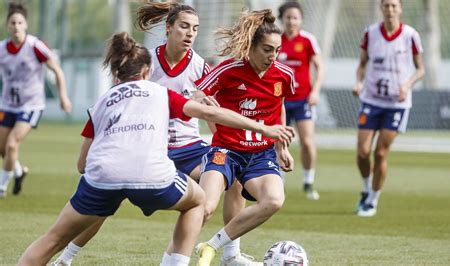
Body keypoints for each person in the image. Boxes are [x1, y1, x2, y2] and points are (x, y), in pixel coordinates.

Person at [17, 32, 294, 265]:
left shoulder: (102, 102)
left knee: (54, 237)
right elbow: (216, 114)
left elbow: (82, 164)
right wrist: (264, 129)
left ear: (115, 74)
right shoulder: (161, 93)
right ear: (148, 72)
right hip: (151, 171)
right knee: (199, 202)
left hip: (104, 176)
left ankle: (65, 257)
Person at [53, 2, 258, 265]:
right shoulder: (144, 64)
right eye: (184, 26)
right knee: (106, 199)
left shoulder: (202, 68)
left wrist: (224, 148)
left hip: (190, 148)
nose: (190, 33)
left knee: (234, 178)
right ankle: (66, 258)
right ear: (168, 27)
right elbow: (116, 105)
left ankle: (230, 254)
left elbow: (212, 115)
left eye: (195, 29)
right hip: (147, 148)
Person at [192, 9, 296, 266]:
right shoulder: (228, 70)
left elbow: (278, 106)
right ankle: (174, 260)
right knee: (204, 206)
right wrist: (202, 101)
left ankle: (212, 247)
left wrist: (281, 147)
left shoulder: (284, 75)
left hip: (260, 153)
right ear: (250, 47)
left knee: (274, 200)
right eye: (267, 49)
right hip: (225, 150)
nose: (273, 56)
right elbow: (195, 95)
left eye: (277, 50)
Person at [352, 0, 425, 217]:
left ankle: (373, 201)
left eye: (394, 5)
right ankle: (366, 188)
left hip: (396, 105)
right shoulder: (371, 33)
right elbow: (362, 64)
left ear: (401, 8)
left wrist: (407, 85)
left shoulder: (410, 35)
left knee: (381, 152)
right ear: (381, 8)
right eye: (386, 5)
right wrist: (358, 82)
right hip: (371, 100)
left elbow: (421, 69)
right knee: (362, 152)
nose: (390, 9)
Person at [0, 2, 72, 197]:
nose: (16, 26)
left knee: (12, 144)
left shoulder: (34, 46)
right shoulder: (2, 49)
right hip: (7, 104)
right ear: (8, 25)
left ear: (25, 25)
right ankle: (18, 171)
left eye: (20, 22)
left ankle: (1, 188)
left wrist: (63, 97)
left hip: (31, 105)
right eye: (12, 22)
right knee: (2, 147)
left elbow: (57, 70)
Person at [277, 1, 325, 200]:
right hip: (280, 101)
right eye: (288, 17)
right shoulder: (275, 40)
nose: (291, 21)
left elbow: (320, 68)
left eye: (295, 17)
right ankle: (279, 181)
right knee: (279, 142)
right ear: (282, 19)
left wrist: (315, 91)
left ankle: (308, 181)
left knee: (306, 141)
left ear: (301, 19)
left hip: (303, 99)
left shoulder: (307, 40)